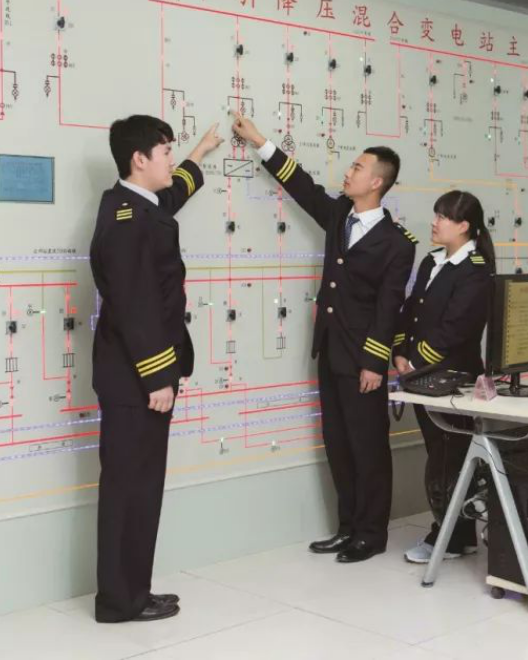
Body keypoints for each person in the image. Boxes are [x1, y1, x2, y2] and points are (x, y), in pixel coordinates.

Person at [231, 112, 415, 564]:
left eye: (357, 168)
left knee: (368, 448)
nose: (348, 173)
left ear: (376, 182)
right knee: (339, 443)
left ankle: (371, 534)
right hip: (330, 350)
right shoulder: (339, 217)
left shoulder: (397, 243)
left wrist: (374, 363)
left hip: (362, 359)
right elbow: (303, 186)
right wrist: (259, 141)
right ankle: (347, 527)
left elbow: (389, 307)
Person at [91, 115, 223, 622]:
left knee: (141, 488)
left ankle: (133, 593)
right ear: (139, 159)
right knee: (131, 491)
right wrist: (159, 378)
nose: (171, 159)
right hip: (137, 380)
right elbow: (135, 306)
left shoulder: (135, 204)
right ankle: (120, 602)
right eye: (166, 151)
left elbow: (171, 196)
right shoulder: (128, 222)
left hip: (136, 378)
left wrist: (200, 152)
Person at [393, 190, 495, 564]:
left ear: (464, 225)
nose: (434, 223)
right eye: (436, 215)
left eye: (442, 217)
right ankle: (459, 535)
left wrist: (416, 362)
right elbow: (411, 310)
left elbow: (456, 328)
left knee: (448, 458)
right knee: (442, 453)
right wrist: (399, 351)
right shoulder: (432, 261)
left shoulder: (476, 269)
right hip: (422, 376)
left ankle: (447, 536)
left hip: (453, 378)